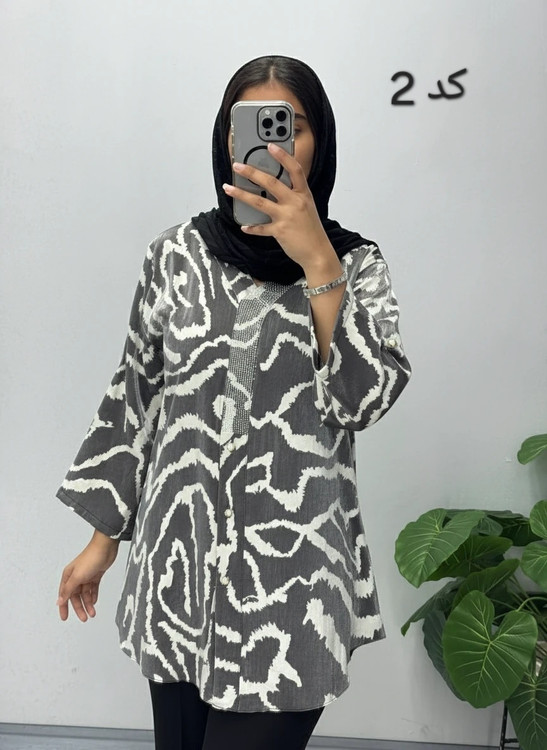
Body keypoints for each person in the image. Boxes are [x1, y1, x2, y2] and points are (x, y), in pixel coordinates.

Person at [55, 54, 412, 750]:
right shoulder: (174, 256)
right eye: (250, 125)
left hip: (292, 589)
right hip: (178, 575)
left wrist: (318, 263)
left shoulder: (355, 266)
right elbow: (136, 399)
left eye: (292, 126)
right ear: (226, 140)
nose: (274, 145)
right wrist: (102, 541)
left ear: (320, 142)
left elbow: (363, 401)